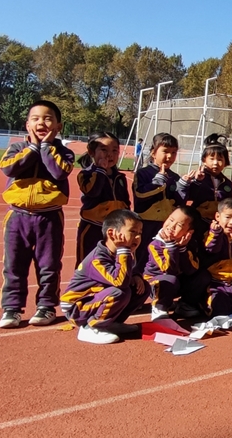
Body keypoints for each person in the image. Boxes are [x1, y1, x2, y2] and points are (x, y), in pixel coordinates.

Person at [0, 100, 77, 329]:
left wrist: (45, 148)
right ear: (27, 125)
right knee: (14, 264)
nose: (41, 123)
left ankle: (46, 306)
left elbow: (59, 172)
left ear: (59, 126)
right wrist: (32, 148)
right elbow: (9, 168)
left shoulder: (64, 152)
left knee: (48, 265)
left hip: (49, 218)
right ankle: (12, 308)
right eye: (35, 119)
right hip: (17, 217)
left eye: (48, 118)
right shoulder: (16, 148)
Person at [59, 209, 149, 344]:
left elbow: (128, 272)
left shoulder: (123, 253)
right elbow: (120, 281)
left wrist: (135, 275)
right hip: (76, 307)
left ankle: (112, 322)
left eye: (140, 233)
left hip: (97, 297)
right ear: (112, 233)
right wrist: (123, 251)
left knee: (141, 287)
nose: (137, 237)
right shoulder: (98, 258)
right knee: (120, 292)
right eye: (132, 232)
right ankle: (91, 327)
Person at [76, 132, 131, 265]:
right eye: (104, 150)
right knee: (87, 264)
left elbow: (126, 202)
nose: (110, 155)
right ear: (91, 152)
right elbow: (93, 192)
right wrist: (101, 170)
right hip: (92, 227)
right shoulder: (85, 174)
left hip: (115, 229)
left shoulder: (120, 178)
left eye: (114, 150)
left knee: (112, 263)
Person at [132, 132, 185, 272]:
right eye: (165, 151)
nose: (170, 156)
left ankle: (158, 281)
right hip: (146, 224)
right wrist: (158, 181)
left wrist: (184, 185)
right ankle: (137, 279)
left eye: (173, 152)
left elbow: (178, 202)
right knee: (142, 257)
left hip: (166, 225)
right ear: (153, 153)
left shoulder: (174, 176)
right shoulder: (143, 173)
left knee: (162, 257)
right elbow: (140, 195)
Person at [194, 197, 232, 316]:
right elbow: (211, 250)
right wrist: (216, 234)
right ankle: (200, 302)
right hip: (216, 280)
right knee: (218, 310)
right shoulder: (210, 234)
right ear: (217, 216)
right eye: (228, 217)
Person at [143, 205, 199, 320]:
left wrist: (182, 249)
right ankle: (159, 307)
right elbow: (168, 269)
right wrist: (171, 247)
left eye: (179, 225)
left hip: (177, 281)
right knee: (170, 279)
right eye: (171, 220)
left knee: (201, 276)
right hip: (156, 283)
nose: (171, 226)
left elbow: (191, 270)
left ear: (189, 232)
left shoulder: (190, 244)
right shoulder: (155, 245)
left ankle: (185, 304)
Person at [178, 135, 232, 242]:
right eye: (212, 159)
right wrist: (197, 181)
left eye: (220, 159)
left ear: (226, 162)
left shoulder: (227, 184)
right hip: (198, 222)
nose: (215, 163)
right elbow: (188, 196)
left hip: (217, 224)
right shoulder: (197, 178)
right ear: (204, 160)